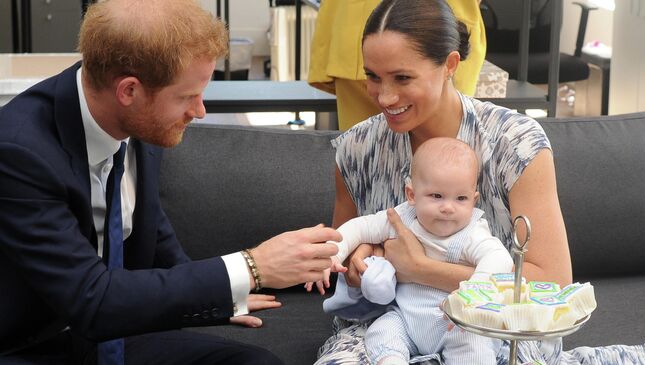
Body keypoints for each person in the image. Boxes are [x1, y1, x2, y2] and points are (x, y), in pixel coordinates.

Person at [0, 0, 340, 364]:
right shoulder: (20, 151)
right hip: (33, 344)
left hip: (109, 335)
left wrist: (222, 294)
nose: (200, 111)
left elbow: (150, 228)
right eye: (187, 96)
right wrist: (251, 267)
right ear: (129, 91)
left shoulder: (137, 122)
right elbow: (92, 300)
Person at [315, 0, 645, 364]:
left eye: (402, 78)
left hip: (499, 329)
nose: (385, 96)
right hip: (387, 326)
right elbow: (340, 254)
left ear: (450, 65)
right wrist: (361, 259)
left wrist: (420, 269)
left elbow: (551, 283)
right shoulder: (356, 148)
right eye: (373, 76)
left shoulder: (515, 141)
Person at [308, 137, 513, 365]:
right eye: (436, 196)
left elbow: (499, 258)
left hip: (455, 322)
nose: (448, 207)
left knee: (475, 342)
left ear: (474, 200)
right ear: (412, 195)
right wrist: (332, 254)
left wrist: (476, 290)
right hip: (405, 319)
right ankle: (392, 360)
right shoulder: (402, 218)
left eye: (461, 198)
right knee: (382, 330)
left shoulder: (472, 232)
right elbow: (360, 227)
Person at [307, 0, 486, 131]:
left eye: (403, 78)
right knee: (364, 152)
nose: (387, 97)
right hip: (359, 31)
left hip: (435, 34)